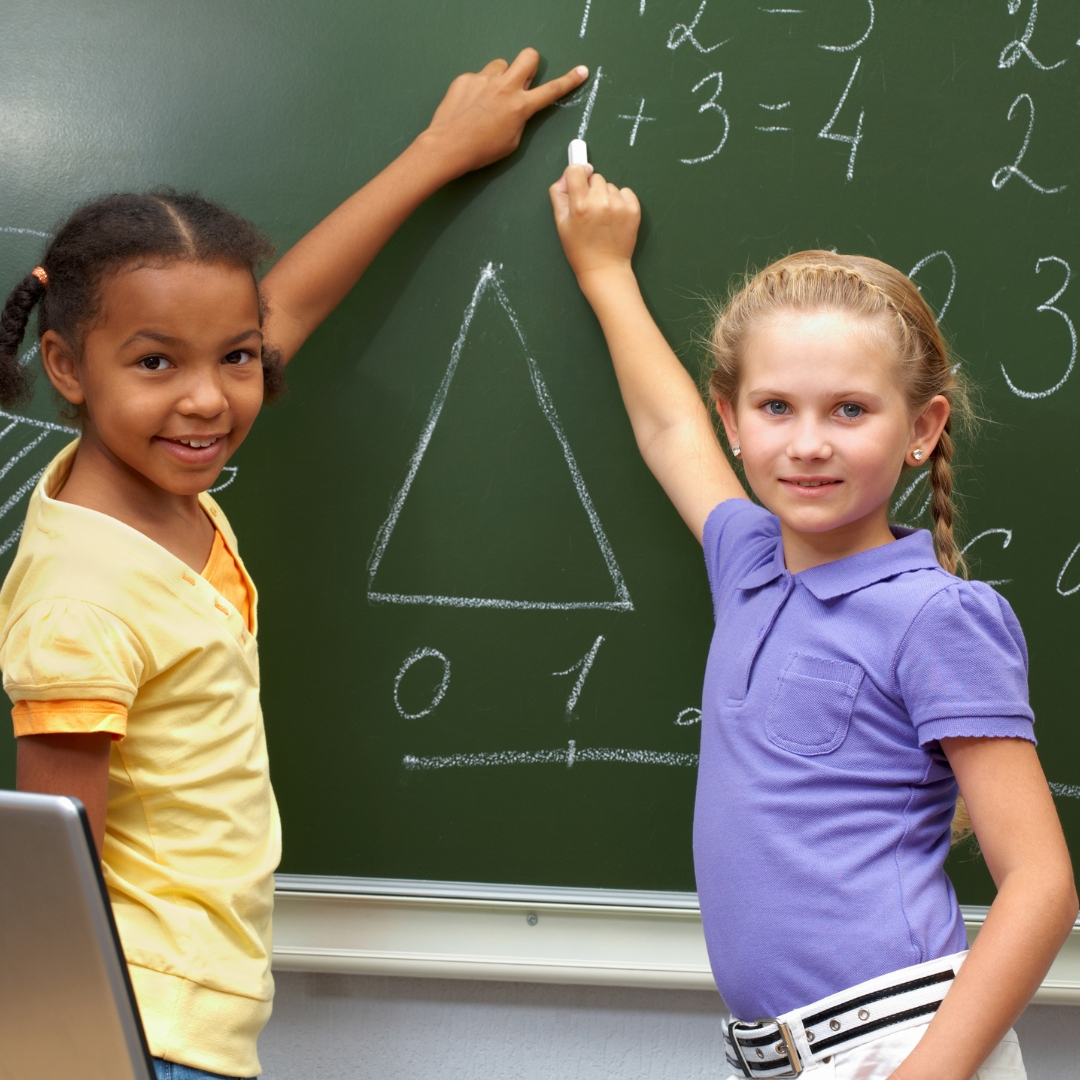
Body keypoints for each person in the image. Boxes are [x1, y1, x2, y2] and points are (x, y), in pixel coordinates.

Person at [0, 50, 588, 1080]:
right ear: (66, 367)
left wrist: (440, 153)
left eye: (234, 356)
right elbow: (58, 878)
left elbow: (289, 308)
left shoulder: (136, 486)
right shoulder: (80, 605)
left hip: (185, 1013)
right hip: (139, 1031)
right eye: (154, 363)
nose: (209, 399)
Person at [548, 165, 1077, 1080]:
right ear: (735, 418)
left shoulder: (937, 615)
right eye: (775, 408)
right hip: (780, 1056)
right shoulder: (748, 563)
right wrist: (604, 272)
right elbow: (669, 428)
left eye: (850, 410)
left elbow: (1041, 883)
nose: (807, 443)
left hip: (901, 1046)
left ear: (921, 427)